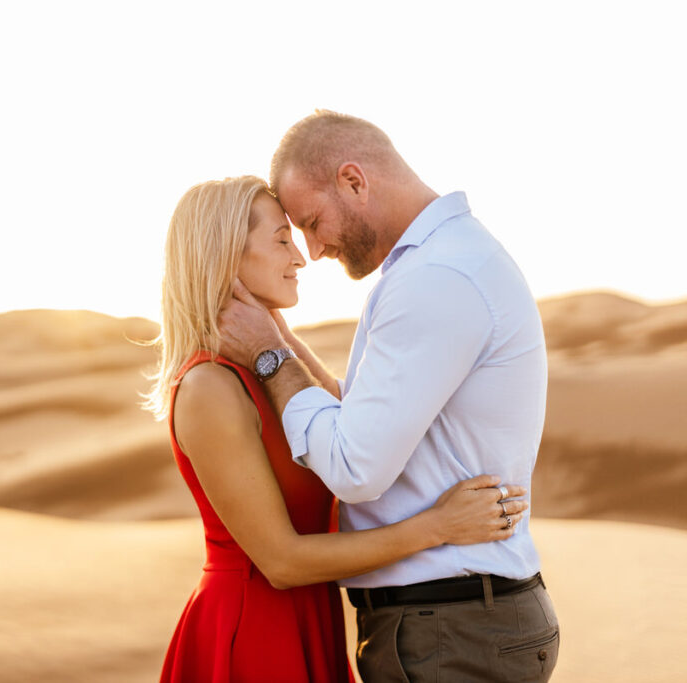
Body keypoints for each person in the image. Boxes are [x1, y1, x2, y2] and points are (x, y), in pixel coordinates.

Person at [144, 175, 529, 683]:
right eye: (281, 239)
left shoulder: (266, 373)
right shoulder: (209, 388)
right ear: (225, 255)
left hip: (311, 618)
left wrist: (276, 338)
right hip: (254, 633)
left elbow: (349, 428)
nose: (300, 257)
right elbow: (280, 561)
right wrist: (439, 527)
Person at [217, 111, 560, 682]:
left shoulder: (438, 276)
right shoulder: (442, 262)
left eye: (311, 221)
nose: (313, 249)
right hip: (458, 621)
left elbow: (354, 467)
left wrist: (270, 358)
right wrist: (277, 337)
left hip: (451, 630)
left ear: (354, 182)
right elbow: (361, 417)